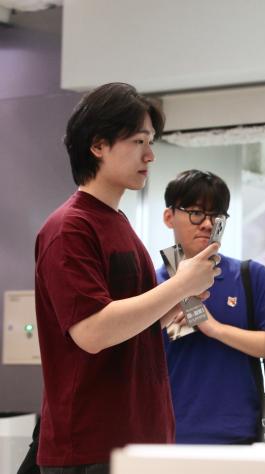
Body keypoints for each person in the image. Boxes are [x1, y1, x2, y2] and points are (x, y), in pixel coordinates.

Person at [34, 83, 220, 473]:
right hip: (92, 446)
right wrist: (180, 285)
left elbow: (131, 327)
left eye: (150, 141)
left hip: (139, 439)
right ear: (98, 145)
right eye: (138, 141)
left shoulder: (118, 224)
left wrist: (178, 303)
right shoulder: (70, 228)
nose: (150, 155)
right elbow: (93, 332)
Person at [159, 169, 265, 444]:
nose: (208, 224)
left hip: (239, 437)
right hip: (167, 439)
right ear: (169, 217)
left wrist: (215, 329)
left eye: (217, 215)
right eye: (196, 212)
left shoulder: (250, 276)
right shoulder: (150, 285)